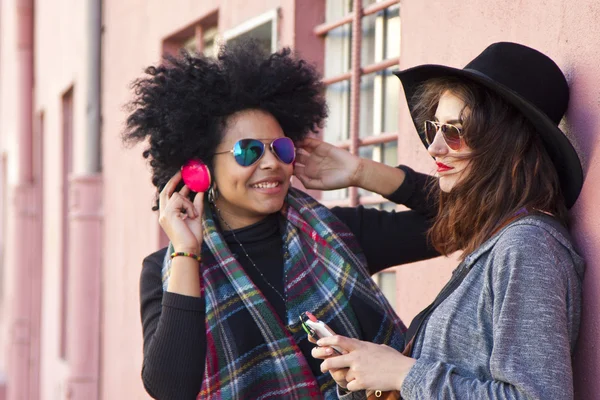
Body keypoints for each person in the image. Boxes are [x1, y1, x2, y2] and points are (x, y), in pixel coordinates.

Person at [123, 40, 439, 400]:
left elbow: (468, 219)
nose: (272, 163)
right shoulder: (168, 269)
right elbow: (170, 388)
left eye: (281, 148)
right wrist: (185, 252)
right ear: (201, 169)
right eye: (249, 151)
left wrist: (363, 172)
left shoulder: (334, 235)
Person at [307, 42, 585, 399]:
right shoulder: (497, 241)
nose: (435, 147)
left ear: (506, 142)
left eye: (455, 131)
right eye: (435, 128)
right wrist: (375, 375)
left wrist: (402, 372)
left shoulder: (527, 246)